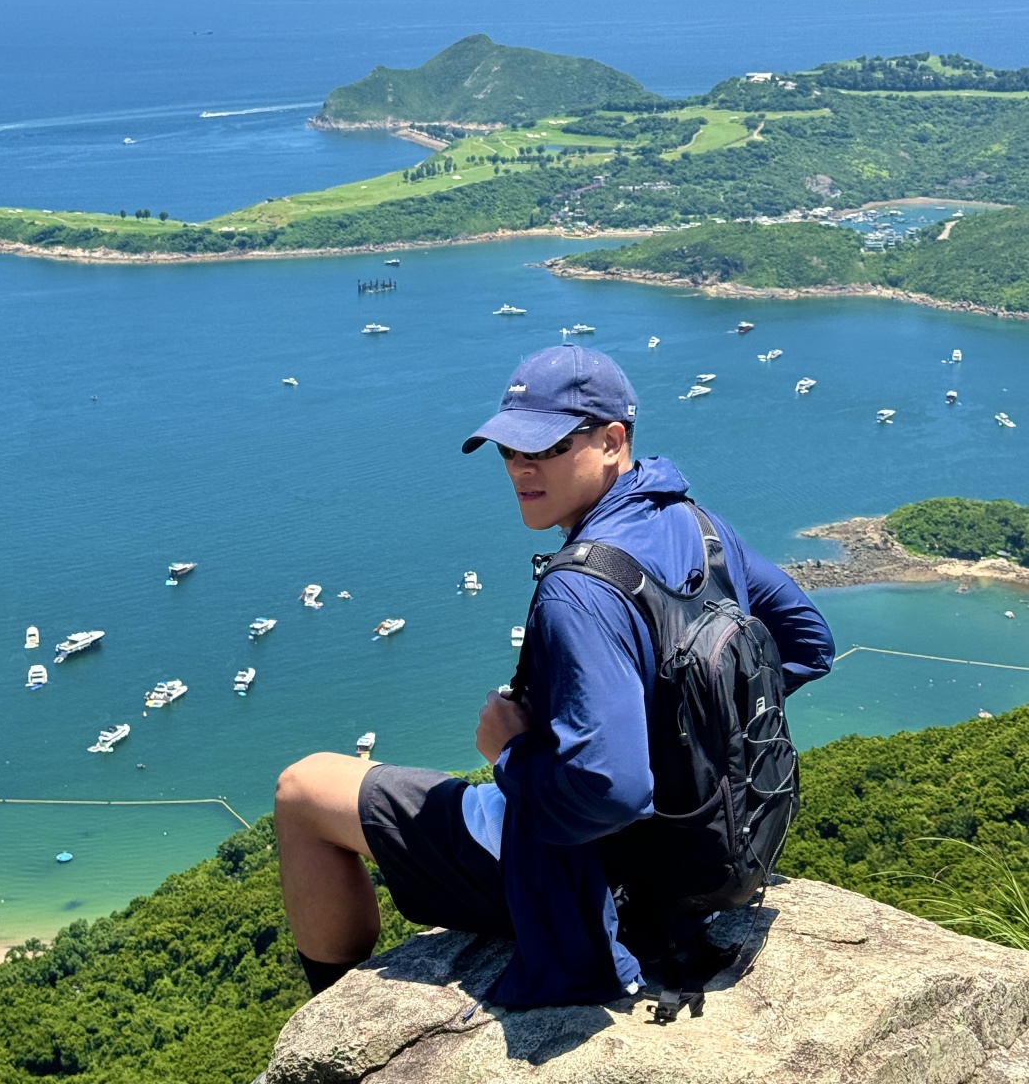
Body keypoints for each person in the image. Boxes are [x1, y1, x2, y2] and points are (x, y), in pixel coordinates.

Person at [274, 345, 834, 1007]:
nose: (520, 469)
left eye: (544, 449)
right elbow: (806, 642)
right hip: (716, 843)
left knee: (303, 791)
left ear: (612, 439)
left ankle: (334, 1006)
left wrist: (509, 751)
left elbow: (610, 792)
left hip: (600, 871)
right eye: (509, 451)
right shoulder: (699, 526)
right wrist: (688, 738)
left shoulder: (579, 591)